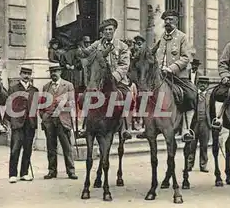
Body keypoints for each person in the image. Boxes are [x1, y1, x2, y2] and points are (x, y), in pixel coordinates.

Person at [139, 10, 197, 142]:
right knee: (145, 94)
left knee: (191, 95)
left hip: (177, 76)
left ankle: (186, 129)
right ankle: (147, 126)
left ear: (176, 21)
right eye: (166, 20)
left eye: (171, 20)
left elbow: (186, 57)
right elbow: (154, 54)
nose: (168, 22)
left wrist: (171, 69)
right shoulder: (161, 38)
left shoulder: (182, 37)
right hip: (159, 76)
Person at [76, 18, 133, 140]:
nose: (108, 32)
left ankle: (125, 128)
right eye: (105, 30)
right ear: (102, 32)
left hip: (117, 81)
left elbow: (124, 65)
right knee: (86, 96)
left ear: (114, 30)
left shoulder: (122, 46)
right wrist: (79, 49)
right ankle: (86, 126)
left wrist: (114, 77)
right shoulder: (97, 44)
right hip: (99, 81)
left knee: (127, 96)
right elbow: (86, 53)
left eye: (110, 29)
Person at [40, 63, 78, 180]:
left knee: (66, 147)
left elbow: (71, 103)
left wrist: (61, 102)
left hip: (63, 120)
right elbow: (42, 104)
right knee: (51, 147)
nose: (54, 74)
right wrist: (44, 117)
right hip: (50, 121)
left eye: (56, 71)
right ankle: (52, 171)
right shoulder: (46, 87)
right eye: (52, 72)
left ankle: (71, 171)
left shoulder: (68, 86)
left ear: (60, 72)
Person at [6, 65, 38, 183]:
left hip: (29, 124)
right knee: (15, 149)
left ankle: (24, 173)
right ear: (20, 74)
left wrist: (35, 124)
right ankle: (12, 174)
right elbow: (9, 106)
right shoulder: (13, 88)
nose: (26, 76)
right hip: (17, 123)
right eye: (24, 73)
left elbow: (35, 109)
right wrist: (9, 122)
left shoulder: (34, 90)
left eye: (28, 74)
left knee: (28, 149)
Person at [186, 76, 211, 173]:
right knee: (192, 144)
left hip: (205, 123)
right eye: (201, 83)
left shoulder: (209, 96)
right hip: (194, 123)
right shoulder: (194, 96)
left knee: (204, 145)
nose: (203, 85)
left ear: (207, 85)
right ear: (197, 84)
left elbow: (212, 110)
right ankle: (189, 164)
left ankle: (203, 165)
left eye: (205, 84)